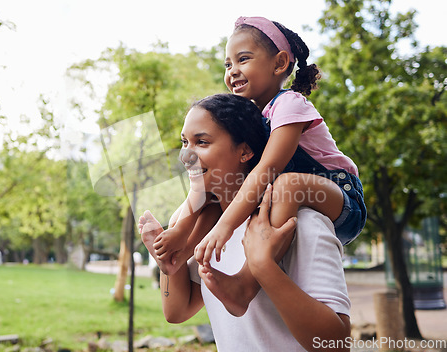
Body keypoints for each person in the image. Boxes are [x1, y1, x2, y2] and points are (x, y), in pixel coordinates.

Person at [154, 16, 366, 316]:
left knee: (286, 184)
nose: (233, 71)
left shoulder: (290, 105)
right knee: (225, 189)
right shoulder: (256, 115)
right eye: (228, 64)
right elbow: (205, 191)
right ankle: (183, 252)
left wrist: (224, 228)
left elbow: (267, 169)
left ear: (279, 63)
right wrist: (179, 233)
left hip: (341, 199)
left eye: (243, 59)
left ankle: (245, 283)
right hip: (292, 196)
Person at [139, 94, 351, 351]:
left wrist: (263, 266)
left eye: (202, 142)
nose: (186, 155)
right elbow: (177, 312)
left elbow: (337, 344)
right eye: (184, 142)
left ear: (245, 151)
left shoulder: (300, 224)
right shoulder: (207, 229)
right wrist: (167, 263)